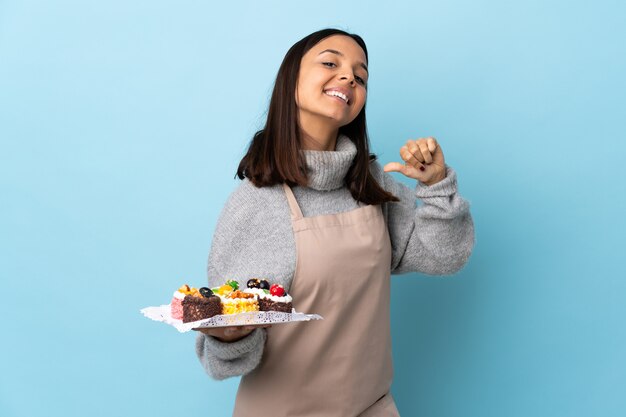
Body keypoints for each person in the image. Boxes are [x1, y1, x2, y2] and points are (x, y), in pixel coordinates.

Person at [194, 28, 474, 417]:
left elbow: (444, 258)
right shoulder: (257, 204)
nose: (348, 78)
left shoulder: (370, 183)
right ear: (290, 79)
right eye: (330, 63)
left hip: (372, 407)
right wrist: (230, 337)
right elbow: (224, 358)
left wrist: (436, 187)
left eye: (360, 77)